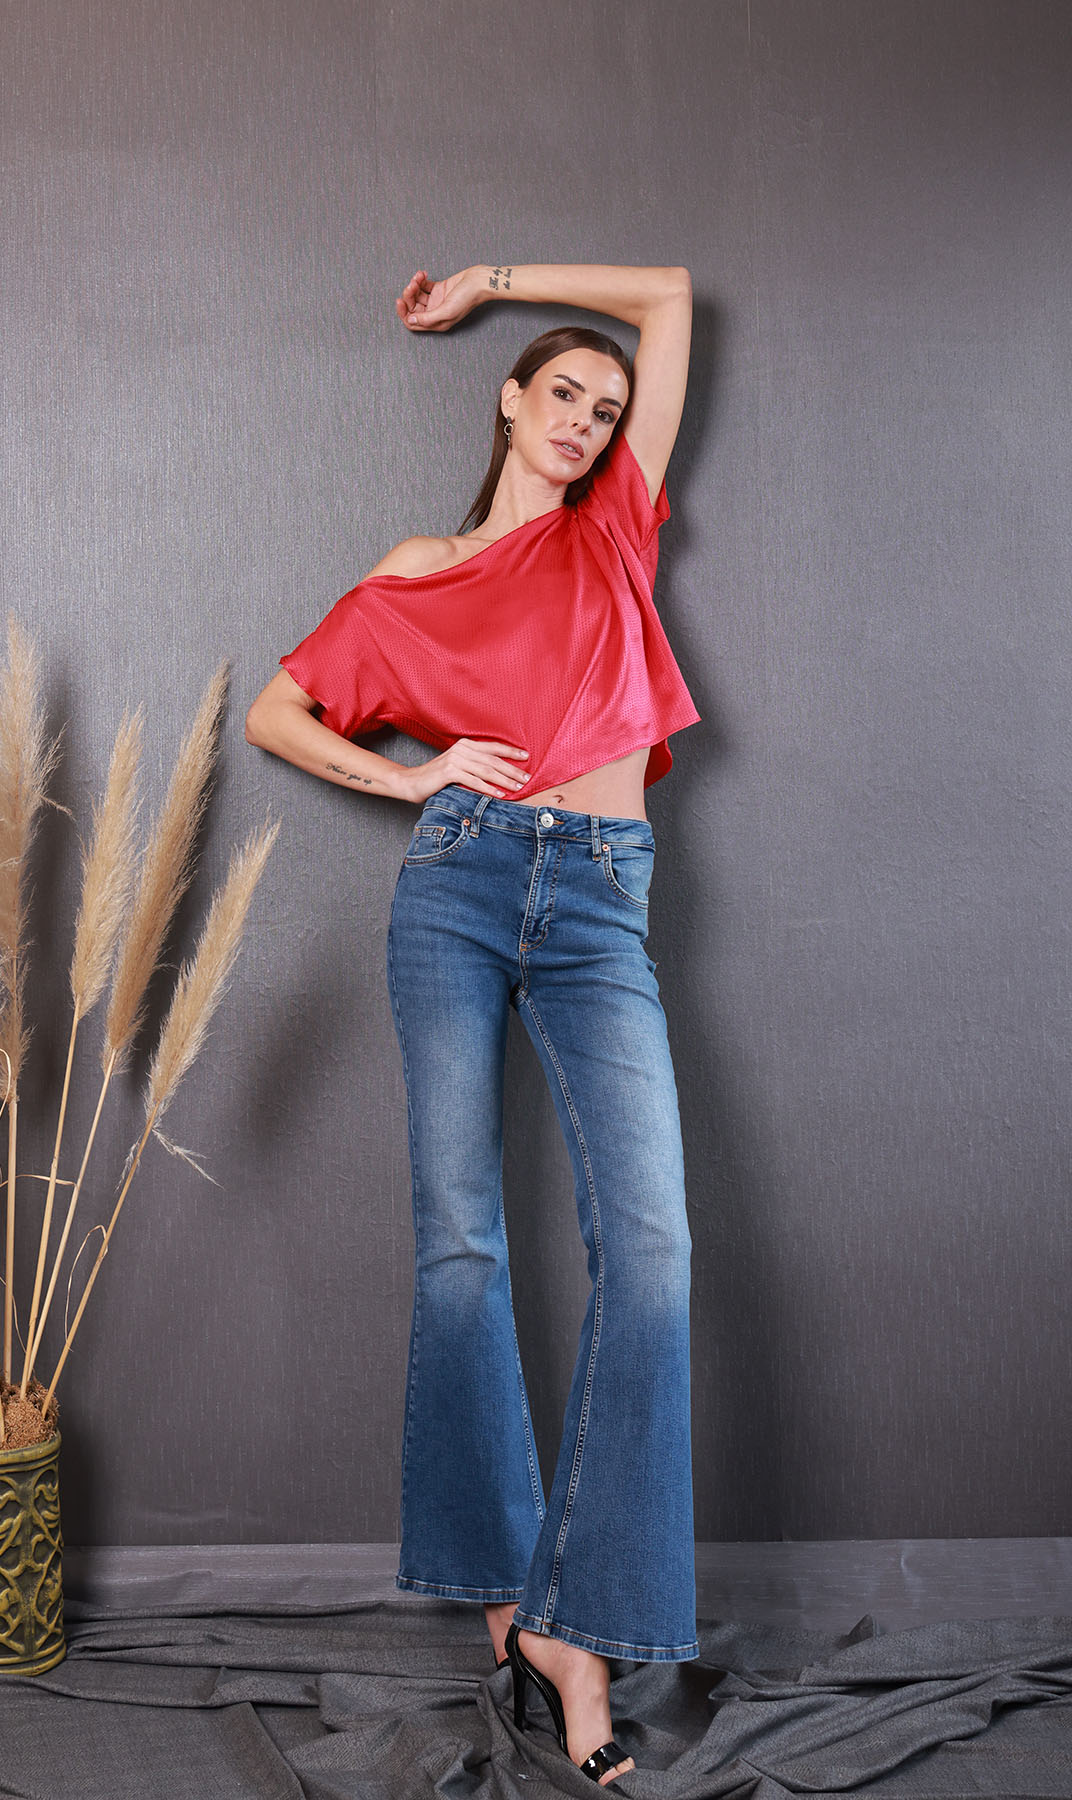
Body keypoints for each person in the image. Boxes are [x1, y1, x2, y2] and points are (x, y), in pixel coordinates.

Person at [246, 261, 698, 1786]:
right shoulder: (423, 566)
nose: (586, 422)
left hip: (602, 896)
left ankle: (582, 1618)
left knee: (652, 1250)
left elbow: (668, 296)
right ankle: (522, 1613)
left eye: (606, 410)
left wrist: (496, 278)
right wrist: (413, 775)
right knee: (461, 1243)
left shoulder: (614, 525)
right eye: (562, 392)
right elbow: (276, 711)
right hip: (455, 882)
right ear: (510, 402)